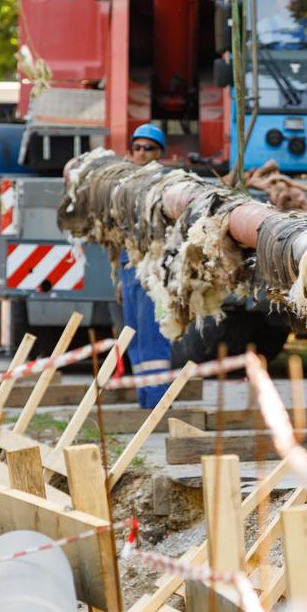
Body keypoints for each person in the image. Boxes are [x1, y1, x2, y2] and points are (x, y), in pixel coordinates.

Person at [117, 123, 173, 407]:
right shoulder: (126, 185)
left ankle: (157, 405)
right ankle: (144, 403)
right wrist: (119, 276)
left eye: (148, 148)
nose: (141, 153)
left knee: (154, 339)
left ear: (159, 153)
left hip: (154, 271)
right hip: (129, 269)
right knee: (135, 339)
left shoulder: (170, 185)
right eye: (137, 147)